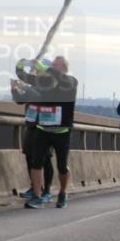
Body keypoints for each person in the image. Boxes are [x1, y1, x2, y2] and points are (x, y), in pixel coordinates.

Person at [16, 56, 78, 209]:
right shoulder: (44, 82)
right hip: (42, 129)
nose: (50, 66)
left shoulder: (70, 82)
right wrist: (21, 65)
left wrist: (45, 67)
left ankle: (63, 193)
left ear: (63, 67)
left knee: (62, 166)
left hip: (62, 131)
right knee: (36, 163)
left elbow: (60, 77)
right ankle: (37, 197)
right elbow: (24, 76)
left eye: (55, 64)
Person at [12, 79, 54, 203]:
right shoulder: (32, 87)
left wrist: (24, 86)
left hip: (45, 125)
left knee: (45, 159)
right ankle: (35, 187)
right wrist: (14, 89)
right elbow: (20, 100)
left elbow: (39, 95)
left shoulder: (49, 85)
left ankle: (47, 191)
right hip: (31, 125)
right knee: (29, 156)